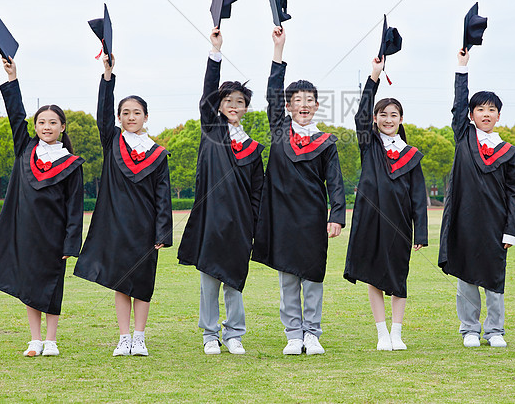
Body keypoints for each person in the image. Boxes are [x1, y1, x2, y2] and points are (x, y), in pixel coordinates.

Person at [0, 56, 84, 357]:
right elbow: (16, 115)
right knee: (29, 284)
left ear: (62, 127)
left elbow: (75, 207)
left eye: (52, 122)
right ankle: (35, 339)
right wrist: (13, 79)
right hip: (25, 230)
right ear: (35, 127)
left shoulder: (71, 164)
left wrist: (71, 240)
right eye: (41, 122)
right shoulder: (26, 150)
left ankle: (51, 340)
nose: (46, 126)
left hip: (54, 233)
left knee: (51, 284)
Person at [252, 26, 346, 356]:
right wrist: (278, 51)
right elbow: (272, 93)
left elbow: (335, 181)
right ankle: (294, 334)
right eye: (297, 101)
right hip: (281, 217)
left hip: (312, 218)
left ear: (317, 106)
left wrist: (337, 216)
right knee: (288, 279)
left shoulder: (325, 142)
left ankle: (313, 333)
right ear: (288, 107)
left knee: (314, 277)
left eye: (309, 101)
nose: (303, 105)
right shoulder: (279, 130)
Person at [74, 53, 173, 357]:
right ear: (119, 118)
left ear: (146, 117)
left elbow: (162, 195)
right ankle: (123, 337)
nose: (131, 117)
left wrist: (162, 233)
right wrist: (107, 75)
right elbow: (102, 112)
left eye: (137, 112)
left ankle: (140, 337)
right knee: (121, 282)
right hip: (116, 225)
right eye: (126, 112)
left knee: (142, 283)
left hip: (145, 228)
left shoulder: (157, 153)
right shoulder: (112, 141)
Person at [177, 27, 265, 356]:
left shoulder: (253, 149)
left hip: (240, 223)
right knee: (209, 282)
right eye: (227, 101)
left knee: (235, 281)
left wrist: (255, 225)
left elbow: (258, 192)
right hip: (210, 218)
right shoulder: (212, 131)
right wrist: (216, 53)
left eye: (239, 102)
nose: (233, 105)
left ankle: (234, 334)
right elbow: (206, 96)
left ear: (245, 109)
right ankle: (209, 335)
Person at [438, 47, 515, 348]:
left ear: (499, 116)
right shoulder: (464, 137)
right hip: (464, 221)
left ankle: (495, 330)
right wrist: (462, 68)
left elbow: (514, 193)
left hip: (495, 225)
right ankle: (470, 329)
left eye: (491, 110)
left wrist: (511, 230)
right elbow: (458, 105)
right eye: (480, 110)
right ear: (472, 116)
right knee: (466, 277)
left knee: (494, 277)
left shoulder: (508, 152)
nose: (485, 114)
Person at [344, 55, 428, 351]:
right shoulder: (370, 145)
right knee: (374, 274)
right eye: (383, 115)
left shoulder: (411, 154)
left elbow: (419, 196)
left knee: (398, 275)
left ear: (401, 119)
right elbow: (360, 113)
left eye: (394, 115)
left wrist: (421, 233)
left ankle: (397, 333)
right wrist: (374, 76)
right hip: (370, 219)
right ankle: (381, 333)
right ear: (375, 119)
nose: (389, 119)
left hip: (401, 224)